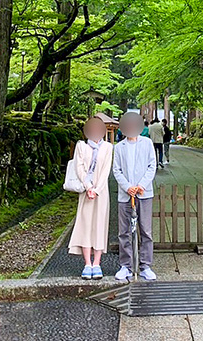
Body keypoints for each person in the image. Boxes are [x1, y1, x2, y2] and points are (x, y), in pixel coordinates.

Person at [113, 111, 157, 282]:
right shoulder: (118, 147)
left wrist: (141, 186)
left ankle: (145, 265)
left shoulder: (147, 143)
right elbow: (116, 170)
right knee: (124, 231)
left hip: (144, 193)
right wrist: (127, 187)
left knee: (146, 230)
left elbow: (151, 165)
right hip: (125, 195)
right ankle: (126, 266)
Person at [68, 117, 114, 279]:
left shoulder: (108, 147)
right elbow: (78, 167)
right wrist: (88, 187)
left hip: (101, 192)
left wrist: (97, 189)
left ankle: (97, 263)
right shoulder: (81, 146)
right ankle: (87, 263)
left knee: (100, 225)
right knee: (85, 225)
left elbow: (105, 171)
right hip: (85, 191)